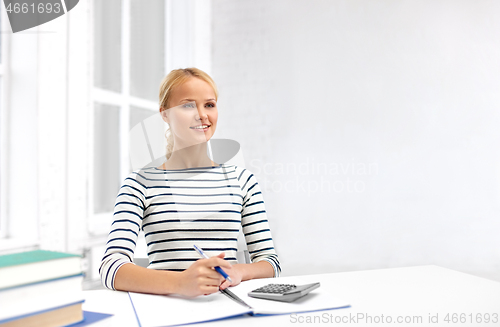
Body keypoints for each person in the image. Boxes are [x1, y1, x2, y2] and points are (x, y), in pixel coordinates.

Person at [100, 68, 280, 297]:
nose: (202, 114)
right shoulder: (139, 183)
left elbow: (271, 263)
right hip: (166, 310)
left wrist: (237, 272)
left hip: (228, 308)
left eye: (209, 105)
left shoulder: (242, 181)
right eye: (188, 105)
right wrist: (180, 282)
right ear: (164, 114)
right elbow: (110, 267)